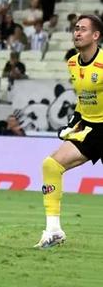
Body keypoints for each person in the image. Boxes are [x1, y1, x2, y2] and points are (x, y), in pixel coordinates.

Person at [36, 15, 103, 248]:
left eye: (83, 29)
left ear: (96, 35)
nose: (77, 33)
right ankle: (53, 230)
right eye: (76, 28)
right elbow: (83, 100)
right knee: (51, 165)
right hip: (92, 129)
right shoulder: (73, 63)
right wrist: (73, 121)